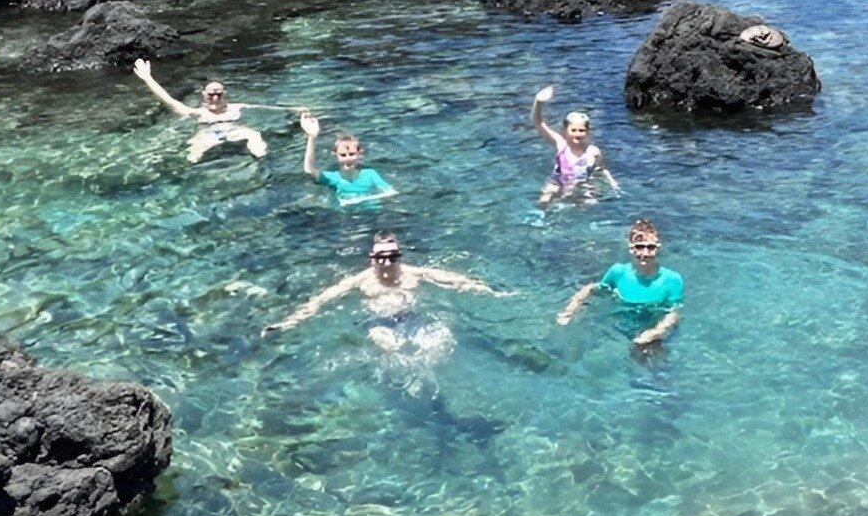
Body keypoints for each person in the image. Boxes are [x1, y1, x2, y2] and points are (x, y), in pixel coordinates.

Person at [265, 231, 501, 353]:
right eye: (381, 258)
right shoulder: (359, 281)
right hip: (377, 322)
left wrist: (489, 291)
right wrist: (288, 323)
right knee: (392, 350)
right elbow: (320, 302)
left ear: (399, 256)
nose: (387, 263)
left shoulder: (415, 273)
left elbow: (455, 280)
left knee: (440, 341)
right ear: (372, 258)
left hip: (412, 317)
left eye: (392, 257)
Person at [559, 217, 684, 348]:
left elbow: (675, 313)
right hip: (621, 328)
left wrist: (655, 332)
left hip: (655, 332)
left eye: (650, 247)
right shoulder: (618, 272)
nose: (645, 253)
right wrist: (570, 310)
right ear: (631, 248)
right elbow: (592, 289)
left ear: (658, 248)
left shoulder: (673, 279)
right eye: (640, 247)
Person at [132, 59, 268, 162]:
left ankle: (261, 160)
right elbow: (168, 100)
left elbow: (270, 109)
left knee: (254, 134)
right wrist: (147, 78)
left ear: (224, 94)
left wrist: (290, 110)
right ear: (204, 95)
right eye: (210, 94)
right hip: (208, 135)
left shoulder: (236, 107)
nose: (214, 97)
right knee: (193, 156)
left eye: (218, 93)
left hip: (234, 131)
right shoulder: (199, 112)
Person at [529, 84, 619, 204]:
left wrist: (611, 182)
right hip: (558, 182)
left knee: (591, 202)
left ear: (588, 132)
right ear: (565, 132)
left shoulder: (593, 151)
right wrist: (538, 102)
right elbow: (538, 124)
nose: (577, 134)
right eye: (573, 130)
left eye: (581, 130)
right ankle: (540, 220)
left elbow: (601, 168)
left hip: (582, 183)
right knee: (545, 200)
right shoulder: (561, 144)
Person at [300, 111, 395, 205]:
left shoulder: (370, 174)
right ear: (335, 154)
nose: (348, 158)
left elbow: (390, 192)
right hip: (344, 217)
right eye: (343, 155)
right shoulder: (332, 178)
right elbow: (309, 169)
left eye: (352, 154)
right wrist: (312, 137)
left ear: (359, 154)